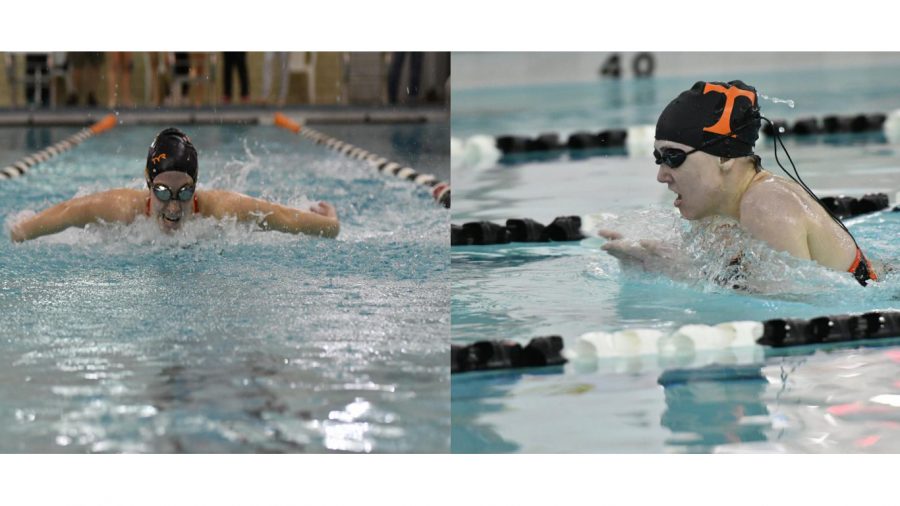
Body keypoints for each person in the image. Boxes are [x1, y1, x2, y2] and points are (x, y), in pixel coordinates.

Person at [600, 80, 878, 287]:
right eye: (658, 158)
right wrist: (646, 266)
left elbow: (794, 305)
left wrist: (681, 274)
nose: (661, 174)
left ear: (724, 157)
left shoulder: (767, 204)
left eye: (673, 157)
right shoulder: (714, 214)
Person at [10, 128, 340, 242]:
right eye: (163, 192)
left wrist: (329, 223)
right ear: (148, 184)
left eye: (184, 192)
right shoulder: (122, 208)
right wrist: (22, 231)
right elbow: (70, 211)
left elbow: (281, 217)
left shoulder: (222, 210)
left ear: (196, 186)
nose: (173, 207)